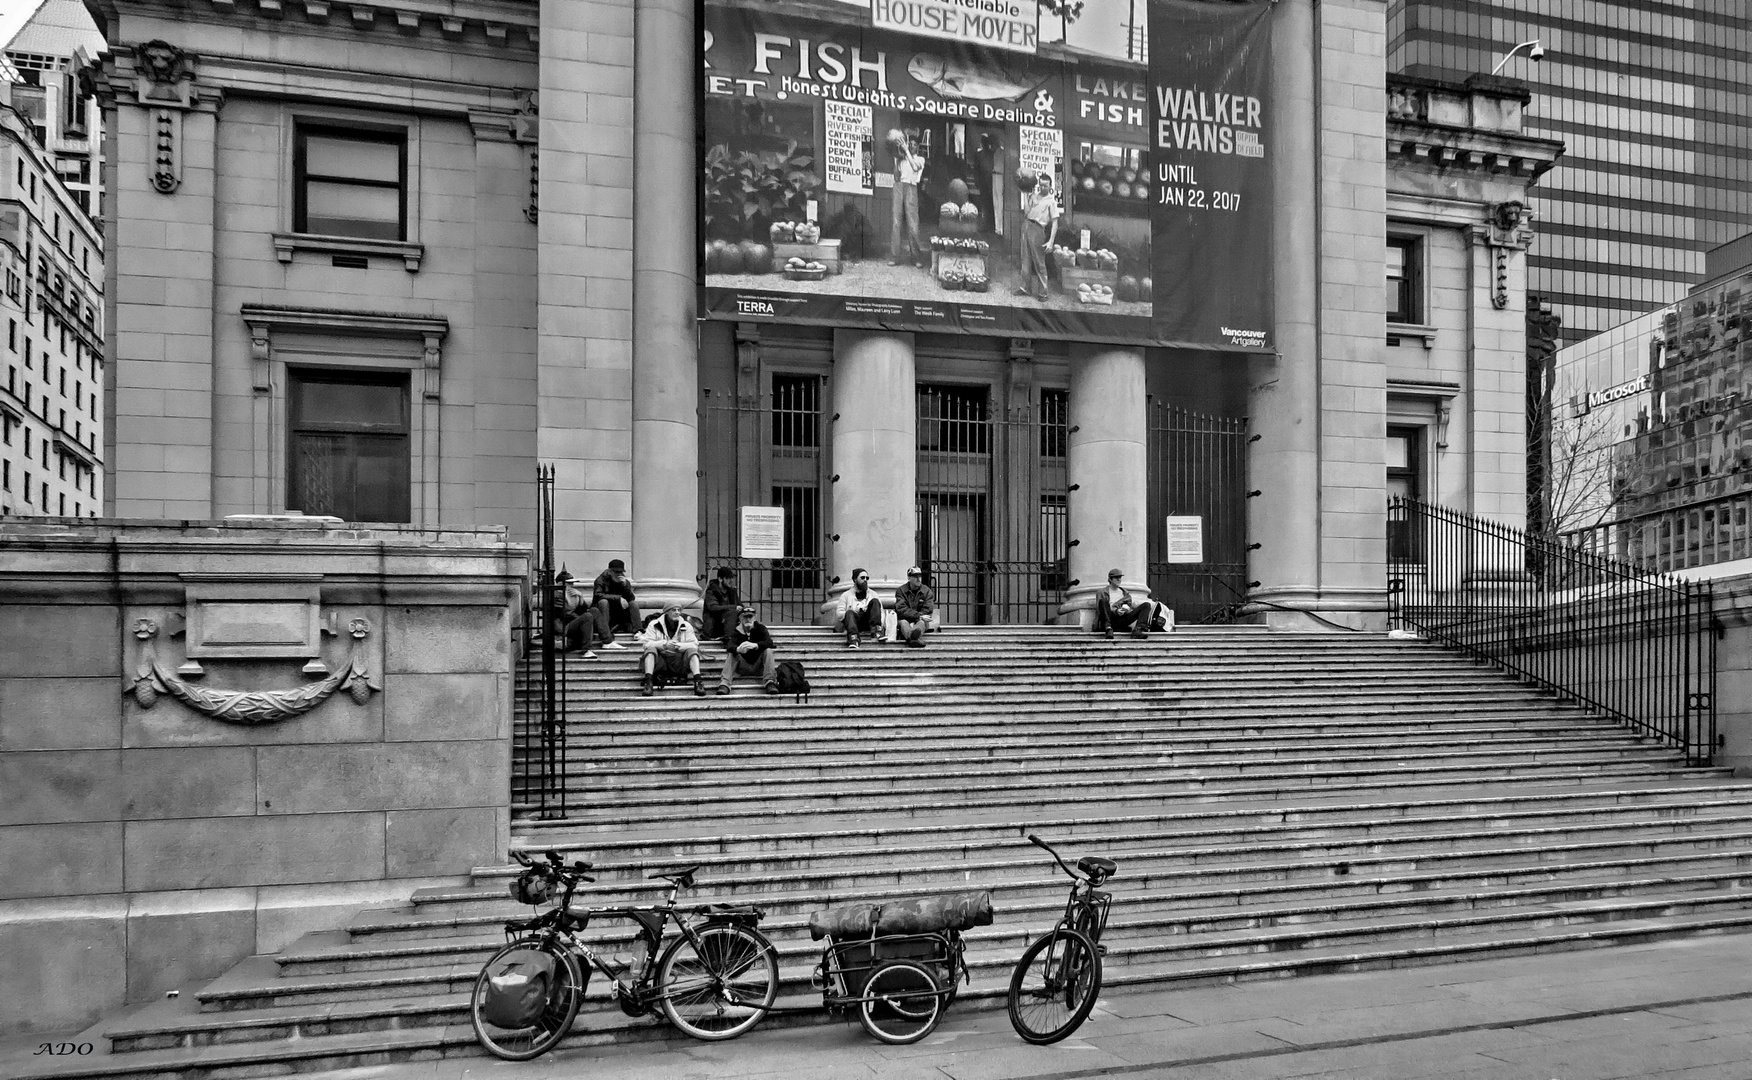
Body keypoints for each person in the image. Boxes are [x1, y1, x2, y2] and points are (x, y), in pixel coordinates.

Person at [639, 603, 703, 696]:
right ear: (666, 612)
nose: (677, 613)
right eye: (674, 610)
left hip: (678, 661)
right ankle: (648, 683)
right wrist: (664, 644)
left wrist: (680, 646)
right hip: (660, 661)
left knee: (692, 651)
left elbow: (695, 644)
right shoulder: (653, 625)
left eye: (679, 610)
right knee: (650, 650)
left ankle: (698, 682)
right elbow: (646, 644)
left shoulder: (686, 625)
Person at [1015, 169, 1060, 301]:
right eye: (1041, 184)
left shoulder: (1051, 202)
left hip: (1038, 230)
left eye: (1046, 185)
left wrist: (1051, 241)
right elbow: (1026, 212)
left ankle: (1043, 292)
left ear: (1050, 186)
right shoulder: (1032, 196)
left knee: (1039, 263)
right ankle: (1025, 288)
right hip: (1027, 225)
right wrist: (1024, 191)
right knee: (1025, 259)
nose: (1043, 187)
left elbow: (1055, 223)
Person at [717, 604, 778, 695]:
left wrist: (755, 645)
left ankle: (770, 682)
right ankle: (725, 684)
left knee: (768, 651)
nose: (748, 619)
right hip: (742, 666)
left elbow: (769, 642)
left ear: (754, 618)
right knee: (732, 653)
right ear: (741, 618)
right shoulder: (736, 631)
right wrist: (738, 649)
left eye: (750, 617)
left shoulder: (760, 628)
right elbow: (729, 646)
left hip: (759, 666)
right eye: (745, 617)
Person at [1093, 568, 1162, 640]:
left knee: (1146, 605)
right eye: (1116, 577)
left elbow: (1129, 607)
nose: (1119, 579)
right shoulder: (1101, 592)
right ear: (1110, 579)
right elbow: (1100, 609)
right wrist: (1116, 611)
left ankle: (1139, 630)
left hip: (1122, 618)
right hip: (1109, 618)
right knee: (1103, 601)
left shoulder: (1125, 593)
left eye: (1120, 577)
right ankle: (1108, 629)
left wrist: (1125, 610)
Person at [890, 135, 924, 267]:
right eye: (910, 144)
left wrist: (907, 152)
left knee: (912, 223)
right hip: (899, 186)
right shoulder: (901, 159)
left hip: (911, 187)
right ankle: (895, 256)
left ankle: (916, 257)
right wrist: (898, 159)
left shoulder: (920, 159)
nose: (912, 146)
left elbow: (915, 168)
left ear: (918, 147)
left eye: (915, 145)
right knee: (896, 222)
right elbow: (896, 176)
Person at [590, 559, 639, 649]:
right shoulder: (600, 580)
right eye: (616, 572)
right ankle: (606, 632)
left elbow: (631, 598)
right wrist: (618, 598)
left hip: (619, 612)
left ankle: (638, 631)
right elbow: (598, 595)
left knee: (633, 603)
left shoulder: (624, 581)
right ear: (609, 572)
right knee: (603, 602)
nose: (619, 574)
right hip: (604, 610)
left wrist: (625, 586)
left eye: (621, 572)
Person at [552, 570, 599, 658]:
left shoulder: (571, 594)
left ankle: (608, 641)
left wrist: (580, 597)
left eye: (572, 584)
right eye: (569, 584)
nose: (571, 586)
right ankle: (586, 650)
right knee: (588, 616)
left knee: (594, 610)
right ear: (559, 584)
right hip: (564, 626)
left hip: (573, 622)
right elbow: (564, 613)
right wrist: (569, 600)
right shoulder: (555, 595)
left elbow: (582, 612)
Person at [836, 567, 883, 648]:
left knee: (875, 601)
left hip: (868, 622)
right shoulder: (846, 595)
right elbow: (839, 613)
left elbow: (880, 611)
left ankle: (877, 631)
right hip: (853, 623)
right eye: (862, 578)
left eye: (867, 578)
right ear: (855, 580)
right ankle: (854, 639)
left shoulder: (873, 594)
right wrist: (853, 610)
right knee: (849, 612)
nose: (865, 580)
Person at [893, 566, 935, 648]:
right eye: (915, 577)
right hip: (907, 619)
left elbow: (928, 609)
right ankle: (914, 638)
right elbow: (901, 609)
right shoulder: (901, 591)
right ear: (909, 578)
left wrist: (919, 617)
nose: (918, 579)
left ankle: (911, 637)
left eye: (920, 576)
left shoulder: (927, 591)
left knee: (921, 623)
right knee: (903, 622)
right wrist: (918, 616)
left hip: (921, 620)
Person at [701, 567, 741, 645]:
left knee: (748, 612)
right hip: (714, 627)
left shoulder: (732, 592)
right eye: (728, 578)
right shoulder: (711, 592)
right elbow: (713, 607)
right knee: (732, 612)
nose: (731, 581)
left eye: (732, 578)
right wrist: (734, 607)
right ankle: (729, 638)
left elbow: (739, 605)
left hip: (729, 624)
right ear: (720, 579)